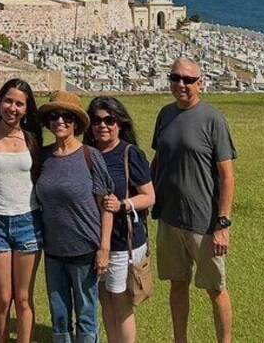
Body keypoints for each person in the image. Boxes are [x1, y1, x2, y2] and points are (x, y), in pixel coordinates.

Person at [151, 57, 237, 343]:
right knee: (177, 283)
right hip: (170, 218)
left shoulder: (213, 119)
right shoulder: (165, 115)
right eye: (175, 78)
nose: (181, 84)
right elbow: (159, 160)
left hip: (204, 222)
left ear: (201, 83)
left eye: (188, 79)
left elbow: (227, 176)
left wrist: (223, 224)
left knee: (216, 288)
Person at [36, 91, 114, 343]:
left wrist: (104, 248)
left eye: (67, 116)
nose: (60, 121)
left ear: (76, 123)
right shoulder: (43, 157)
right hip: (54, 250)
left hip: (84, 250)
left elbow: (106, 206)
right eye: (54, 116)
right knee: (58, 315)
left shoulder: (90, 156)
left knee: (86, 315)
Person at [0, 78, 43, 343]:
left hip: (28, 220)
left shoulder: (31, 138)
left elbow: (38, 176)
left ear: (27, 109)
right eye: (8, 101)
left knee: (23, 297)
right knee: (1, 296)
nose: (12, 108)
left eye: (19, 103)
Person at [85, 97, 155, 343]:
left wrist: (123, 204)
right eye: (96, 121)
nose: (103, 126)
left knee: (121, 303)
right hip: (94, 238)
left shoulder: (129, 153)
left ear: (119, 123)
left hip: (122, 241)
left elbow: (149, 196)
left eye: (109, 120)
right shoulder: (88, 153)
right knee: (105, 300)